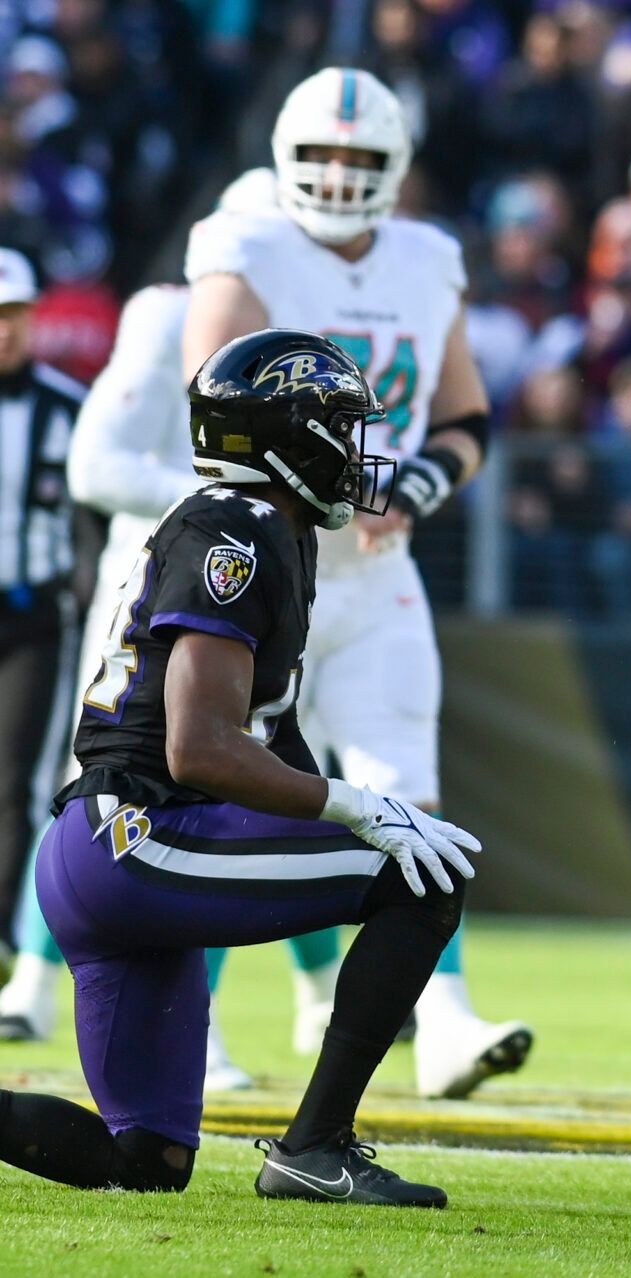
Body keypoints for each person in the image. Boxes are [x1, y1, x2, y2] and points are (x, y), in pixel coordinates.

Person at [0, 329, 478, 1206]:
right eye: (340, 425)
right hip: (138, 839)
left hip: (107, 849)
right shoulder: (237, 531)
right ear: (288, 435)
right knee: (424, 882)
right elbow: (200, 746)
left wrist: (343, 810)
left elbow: (267, 740)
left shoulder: (269, 531)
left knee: (143, 1162)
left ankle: (304, 1147)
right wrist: (358, 805)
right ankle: (315, 1147)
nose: (357, 449)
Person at [178, 68, 529, 1101]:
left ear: (398, 167)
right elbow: (213, 419)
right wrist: (325, 491)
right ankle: (188, 1025)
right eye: (322, 155)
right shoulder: (243, 244)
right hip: (263, 571)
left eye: (362, 159)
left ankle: (449, 1017)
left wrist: (413, 486)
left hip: (378, 578)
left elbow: (465, 418)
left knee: (409, 794)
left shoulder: (427, 259)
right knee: (227, 797)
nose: (338, 175)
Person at [0, 171, 342, 1096]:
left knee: (272, 750)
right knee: (168, 769)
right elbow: (98, 463)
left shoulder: (279, 503)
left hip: (195, 610)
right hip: (162, 615)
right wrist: (228, 503)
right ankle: (31, 979)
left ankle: (306, 1001)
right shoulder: (169, 328)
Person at [0, 247, 83, 983]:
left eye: (12, 315)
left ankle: (3, 938)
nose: (2, 331)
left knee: (17, 780)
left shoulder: (67, 406)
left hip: (32, 614)